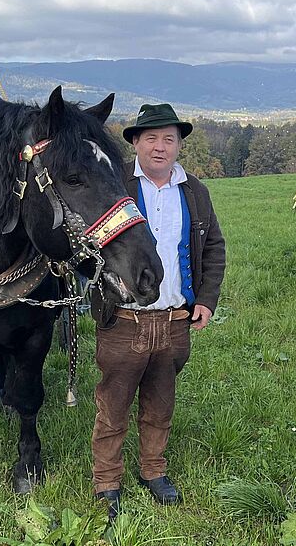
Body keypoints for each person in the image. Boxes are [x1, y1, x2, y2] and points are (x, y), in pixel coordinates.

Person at [90, 103, 226, 520]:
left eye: (169, 138)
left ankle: (153, 471)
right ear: (134, 143)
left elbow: (215, 249)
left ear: (180, 144)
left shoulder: (195, 192)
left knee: (160, 403)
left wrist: (204, 300)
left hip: (174, 322)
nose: (160, 147)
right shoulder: (114, 187)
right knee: (113, 406)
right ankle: (107, 481)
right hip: (124, 321)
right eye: (151, 138)